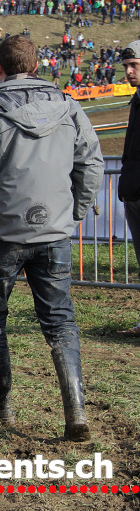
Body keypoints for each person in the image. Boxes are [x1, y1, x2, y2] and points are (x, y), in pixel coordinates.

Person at [0, 35, 103, 441]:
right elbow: (91, 164)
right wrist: (73, 213)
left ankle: (0, 404)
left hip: (2, 233)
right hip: (53, 233)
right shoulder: (69, 106)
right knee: (60, 320)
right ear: (36, 66)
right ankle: (75, 411)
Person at [117, 40, 140, 335]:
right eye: (126, 66)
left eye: (134, 65)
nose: (129, 71)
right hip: (134, 191)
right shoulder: (136, 99)